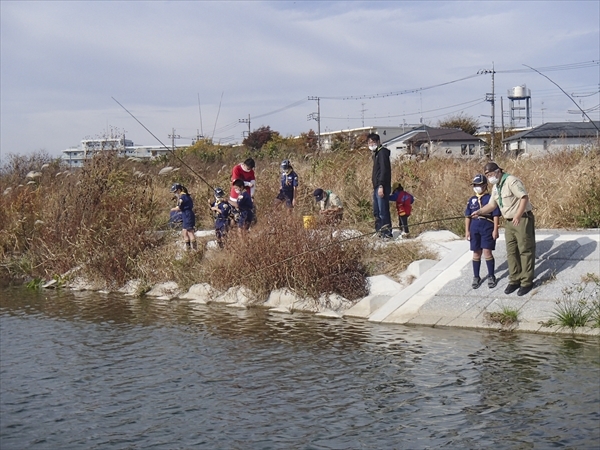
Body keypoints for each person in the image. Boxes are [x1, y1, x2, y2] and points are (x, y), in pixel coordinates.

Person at [472, 162, 535, 296]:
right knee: (511, 251)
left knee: (525, 249)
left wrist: (518, 215)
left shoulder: (511, 181)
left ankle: (526, 281)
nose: (489, 177)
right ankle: (514, 279)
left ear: (498, 171)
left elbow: (524, 197)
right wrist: (479, 211)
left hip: (522, 218)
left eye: (490, 174)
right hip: (508, 221)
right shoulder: (496, 187)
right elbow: (492, 205)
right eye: (487, 175)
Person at [464, 174, 501, 289]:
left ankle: (491, 275)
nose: (476, 187)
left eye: (479, 185)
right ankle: (476, 276)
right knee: (476, 253)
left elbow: (495, 214)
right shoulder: (471, 200)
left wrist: (495, 229)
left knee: (487, 252)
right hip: (474, 228)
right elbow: (467, 216)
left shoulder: (490, 198)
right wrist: (467, 231)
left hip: (487, 227)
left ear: (485, 185)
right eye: (475, 185)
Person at [368, 133, 393, 238]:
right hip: (376, 186)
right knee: (377, 211)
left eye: (373, 142)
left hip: (381, 186)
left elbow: (384, 170)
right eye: (369, 143)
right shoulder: (376, 153)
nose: (371, 144)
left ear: (378, 142)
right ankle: (379, 231)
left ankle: (387, 233)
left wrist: (381, 185)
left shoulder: (382, 152)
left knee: (383, 210)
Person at [170, 183, 196, 250]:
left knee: (190, 232)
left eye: (175, 192)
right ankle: (188, 249)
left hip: (187, 214)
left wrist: (172, 209)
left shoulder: (182, 197)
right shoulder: (184, 196)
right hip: (185, 214)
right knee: (184, 232)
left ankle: (195, 250)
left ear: (178, 190)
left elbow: (178, 208)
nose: (175, 193)